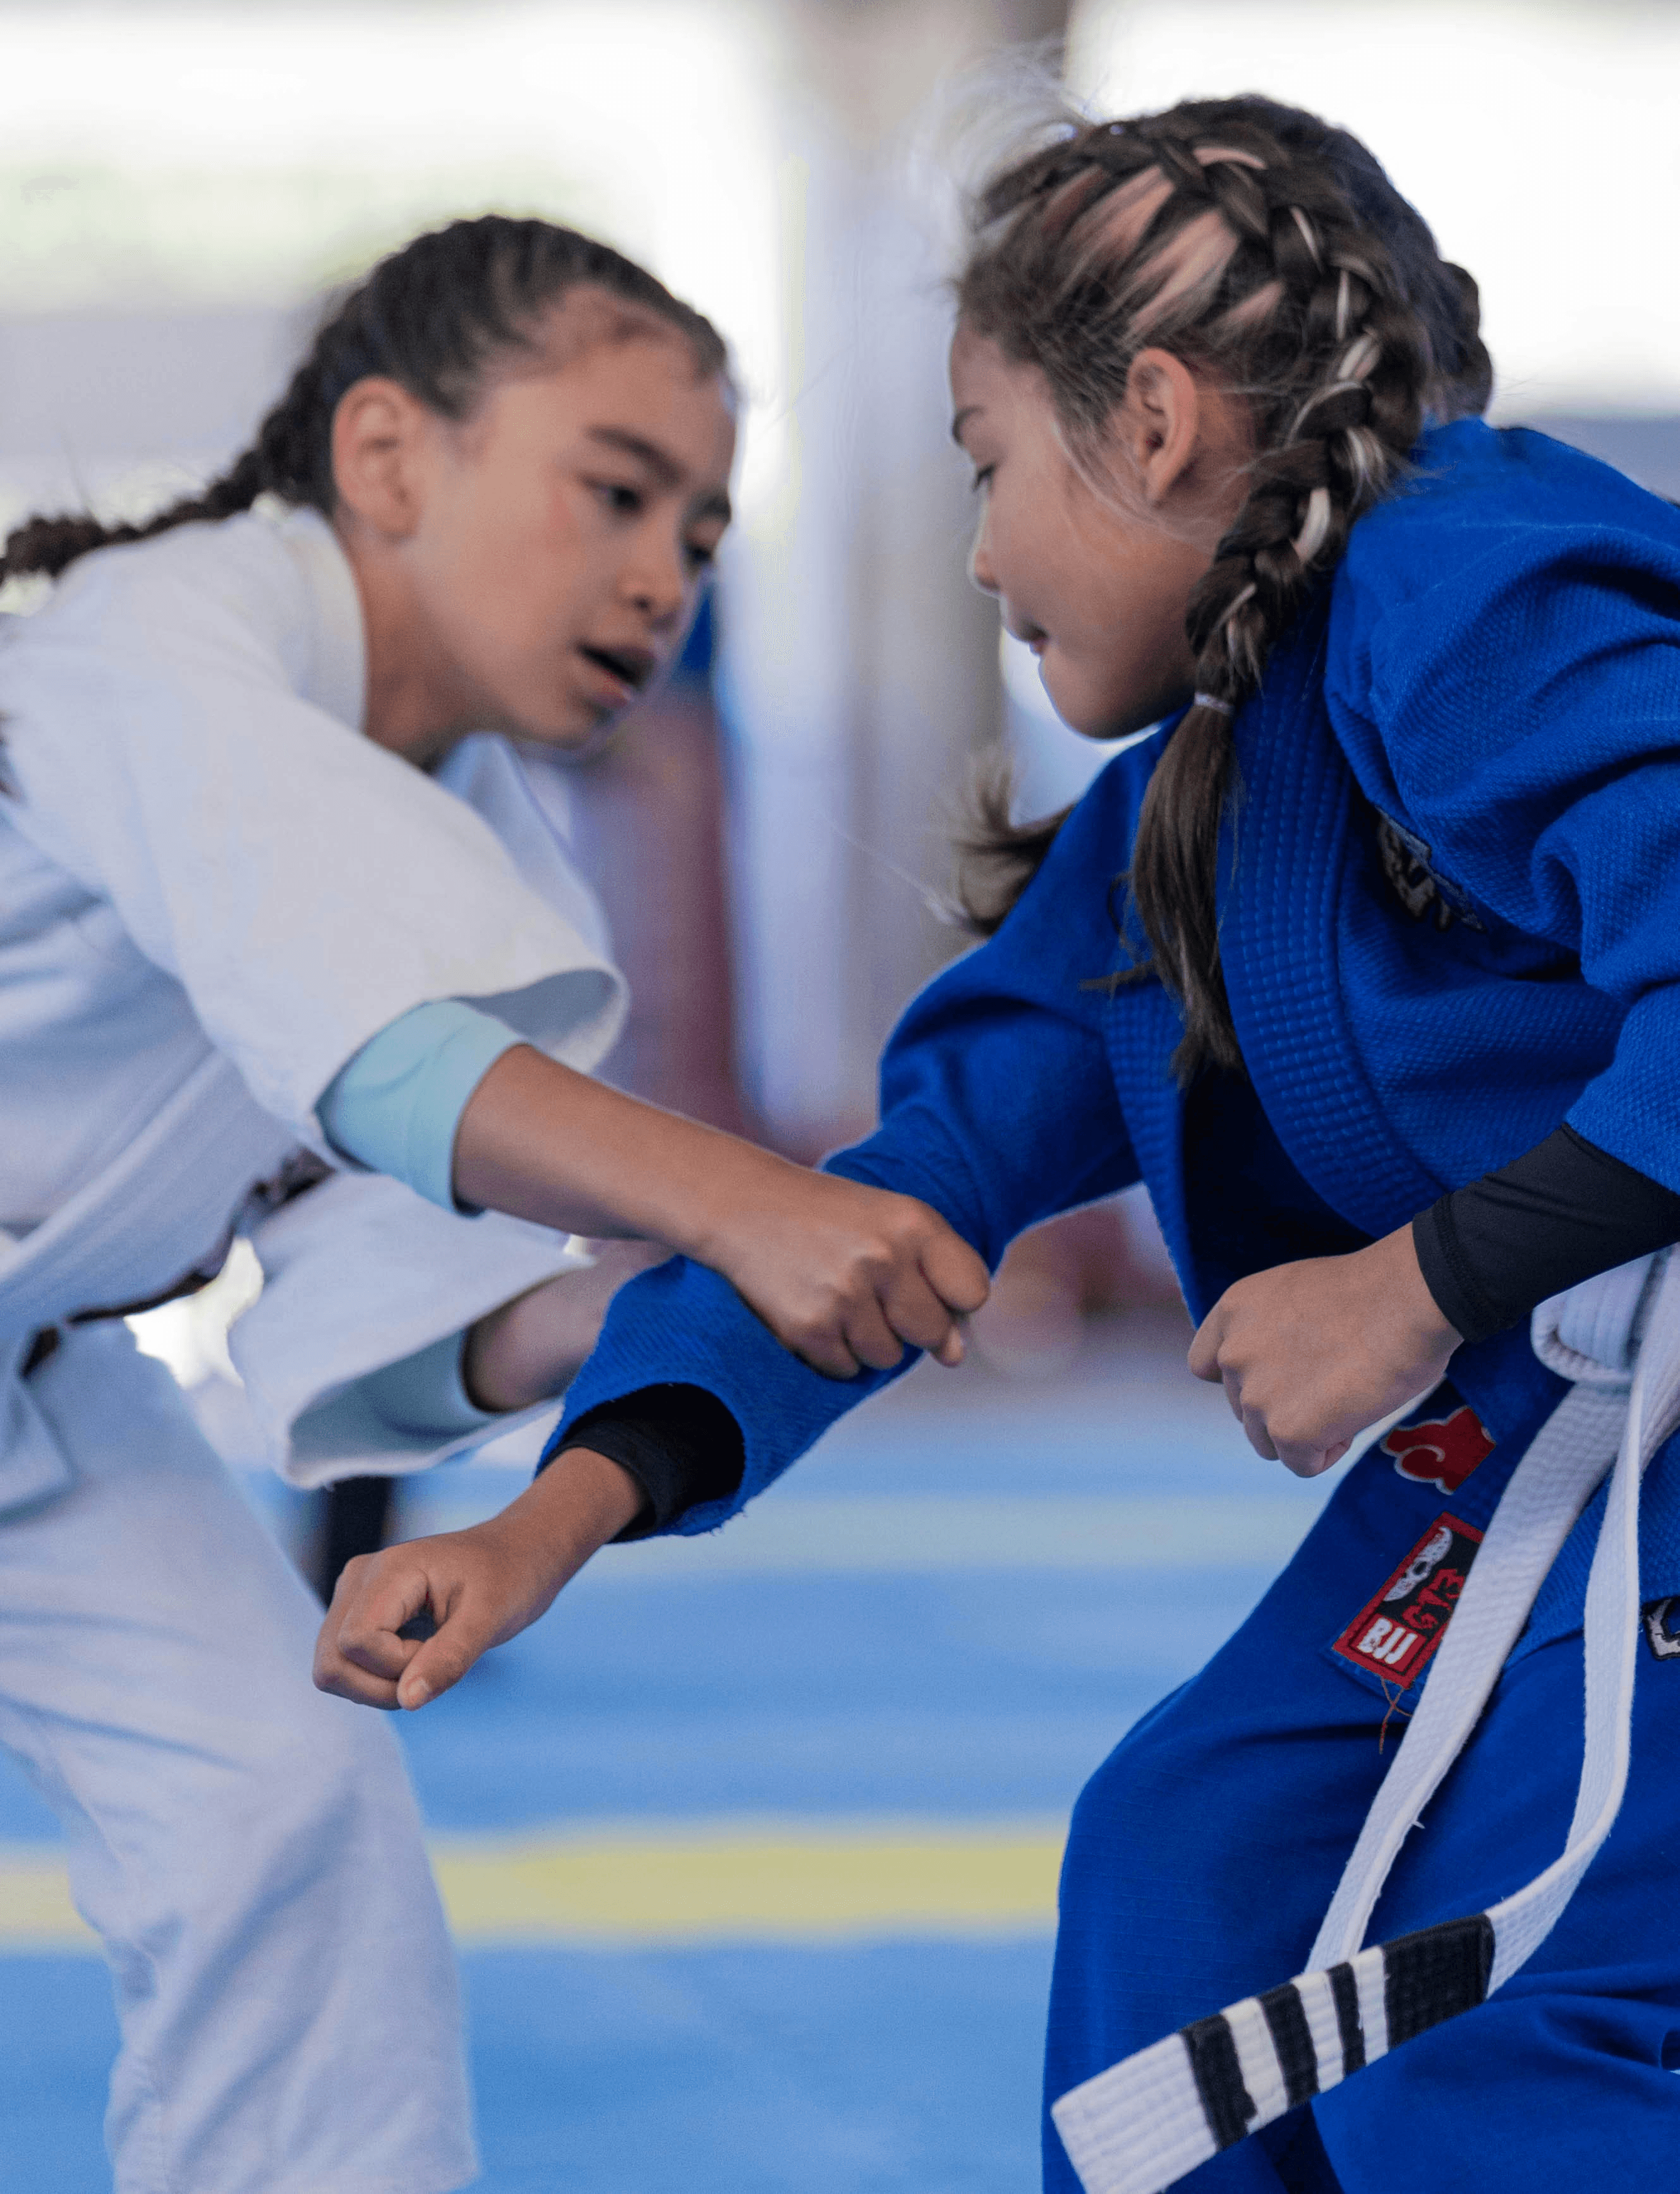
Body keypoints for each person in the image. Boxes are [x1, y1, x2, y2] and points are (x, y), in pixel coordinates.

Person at [314, 103, 1680, 2193]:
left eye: (983, 461)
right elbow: (887, 1209)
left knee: (1505, 2038)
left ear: (1153, 423)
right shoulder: (1180, 833)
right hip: (1532, 1442)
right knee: (1185, 1872)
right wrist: (552, 1522)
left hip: (1622, 1417)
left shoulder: (1463, 579)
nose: (977, 553)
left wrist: (1411, 1288)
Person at [0, 213, 988, 2194]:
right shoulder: (148, 639)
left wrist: (647, 1296)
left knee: (287, 1810)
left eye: (699, 533)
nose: (661, 576)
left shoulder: (465, 844)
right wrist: (744, 1203)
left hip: (36, 1389)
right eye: (614, 492)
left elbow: (383, 1275)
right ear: (386, 455)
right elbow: (375, 1057)